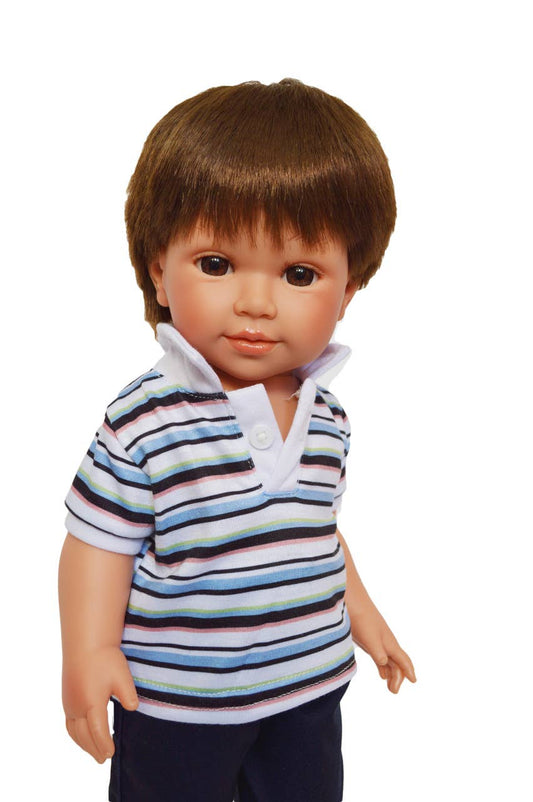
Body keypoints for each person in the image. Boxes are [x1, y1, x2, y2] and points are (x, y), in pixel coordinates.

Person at [59, 78, 416, 802]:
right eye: (216, 265)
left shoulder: (327, 418)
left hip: (309, 685)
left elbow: (315, 533)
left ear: (348, 291)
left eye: (298, 274)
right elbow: (98, 545)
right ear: (159, 271)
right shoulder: (145, 421)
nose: (255, 302)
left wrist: (363, 614)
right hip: (179, 701)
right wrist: (88, 652)